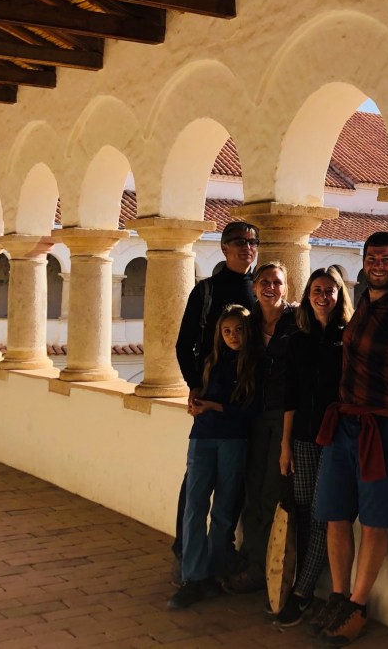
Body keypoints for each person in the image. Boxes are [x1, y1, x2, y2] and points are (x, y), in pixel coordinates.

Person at [311, 232, 388, 646]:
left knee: (376, 521)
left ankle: (358, 607)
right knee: (335, 514)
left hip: (382, 428)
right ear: (363, 263)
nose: (377, 264)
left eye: (385, 258)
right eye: (371, 258)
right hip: (344, 424)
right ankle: (340, 596)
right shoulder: (362, 304)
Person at [171, 221, 259, 579]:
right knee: (196, 485)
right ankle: (186, 552)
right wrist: (194, 384)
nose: (247, 248)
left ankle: (219, 553)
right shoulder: (206, 290)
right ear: (224, 249)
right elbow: (183, 343)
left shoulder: (260, 288)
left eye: (253, 242)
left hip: (248, 398)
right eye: (238, 242)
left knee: (232, 484)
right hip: (211, 398)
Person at [274, 266, 354, 627]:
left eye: (330, 290)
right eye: (317, 290)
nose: (324, 296)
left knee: (323, 513)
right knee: (304, 511)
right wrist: (285, 445)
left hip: (336, 438)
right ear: (307, 295)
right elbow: (290, 396)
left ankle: (302, 593)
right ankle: (298, 583)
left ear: (340, 295)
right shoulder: (298, 339)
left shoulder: (349, 338)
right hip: (304, 437)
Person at [168, 304, 257, 610]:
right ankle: (193, 576)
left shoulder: (254, 364)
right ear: (220, 334)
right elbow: (203, 395)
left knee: (223, 511)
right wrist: (196, 404)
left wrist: (214, 407)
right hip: (203, 438)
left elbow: (250, 410)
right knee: (194, 507)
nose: (233, 336)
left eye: (239, 330)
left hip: (234, 439)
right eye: (227, 330)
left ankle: (213, 573)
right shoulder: (212, 362)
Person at [227, 261, 298, 592]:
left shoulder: (297, 321)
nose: (271, 287)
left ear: (287, 287)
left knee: (270, 492)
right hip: (251, 417)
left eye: (277, 282)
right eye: (264, 282)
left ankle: (260, 568)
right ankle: (249, 559)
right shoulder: (247, 323)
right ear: (255, 287)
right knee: (249, 491)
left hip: (284, 419)